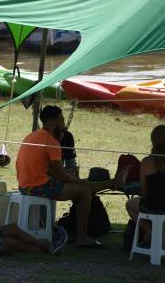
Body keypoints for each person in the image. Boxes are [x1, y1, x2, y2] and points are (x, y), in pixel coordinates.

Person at [16, 105, 125, 248]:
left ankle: (112, 183)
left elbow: (50, 170)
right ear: (54, 121)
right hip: (37, 187)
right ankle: (82, 238)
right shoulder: (51, 141)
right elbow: (60, 174)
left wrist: (74, 179)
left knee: (80, 187)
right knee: (84, 191)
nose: (63, 123)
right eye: (61, 119)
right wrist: (77, 180)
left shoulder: (31, 136)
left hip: (25, 185)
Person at [126, 125, 165, 243]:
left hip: (153, 205)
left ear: (152, 141)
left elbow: (143, 191)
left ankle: (148, 230)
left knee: (129, 204)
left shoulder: (146, 162)